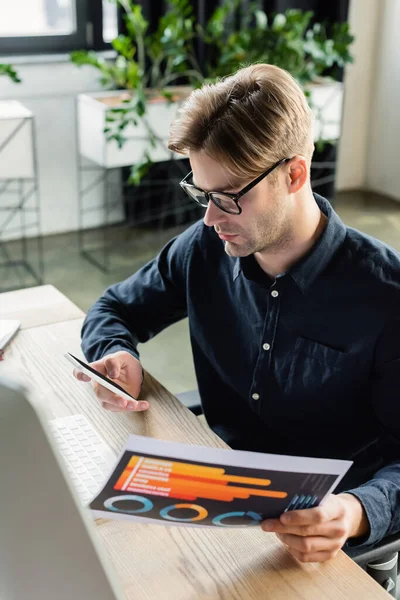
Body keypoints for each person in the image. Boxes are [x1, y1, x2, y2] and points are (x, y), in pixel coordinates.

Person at [75, 64, 400, 564]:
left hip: (323, 534)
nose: (209, 217)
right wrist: (116, 352)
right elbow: (115, 307)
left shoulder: (385, 293)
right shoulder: (205, 246)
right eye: (201, 194)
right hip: (216, 495)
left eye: (228, 198)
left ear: (294, 174)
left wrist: (357, 511)